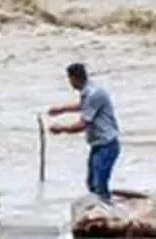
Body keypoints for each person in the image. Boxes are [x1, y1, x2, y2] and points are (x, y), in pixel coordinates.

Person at [47, 63, 121, 204]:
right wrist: (62, 109)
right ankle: (101, 207)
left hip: (107, 145)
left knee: (99, 184)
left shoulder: (93, 94)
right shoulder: (89, 91)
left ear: (75, 78)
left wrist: (61, 129)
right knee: (92, 183)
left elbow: (82, 125)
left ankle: (105, 213)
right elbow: (84, 106)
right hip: (98, 144)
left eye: (69, 79)